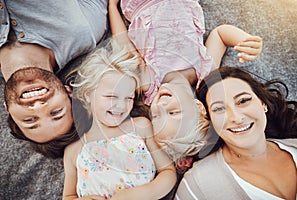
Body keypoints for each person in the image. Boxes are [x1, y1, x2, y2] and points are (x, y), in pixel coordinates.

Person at [108, 0, 263, 163]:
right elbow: (220, 35)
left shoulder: (150, 84)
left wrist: (112, 7)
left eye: (155, 115)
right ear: (198, 107)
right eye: (173, 112)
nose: (161, 104)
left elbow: (124, 45)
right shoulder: (206, 74)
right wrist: (245, 40)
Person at [63, 40, 176, 199]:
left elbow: (168, 172)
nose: (121, 106)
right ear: (88, 94)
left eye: (128, 98)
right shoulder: (74, 150)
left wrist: (141, 194)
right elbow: (68, 196)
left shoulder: (140, 127)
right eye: (111, 96)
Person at [0, 0, 108, 158]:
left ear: (7, 109)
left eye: (30, 120)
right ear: (68, 92)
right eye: (56, 112)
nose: (38, 106)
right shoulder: (85, 32)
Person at [175, 67, 297, 199]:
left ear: (262, 103)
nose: (236, 117)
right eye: (219, 109)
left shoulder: (296, 147)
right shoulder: (197, 184)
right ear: (211, 120)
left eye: (243, 101)